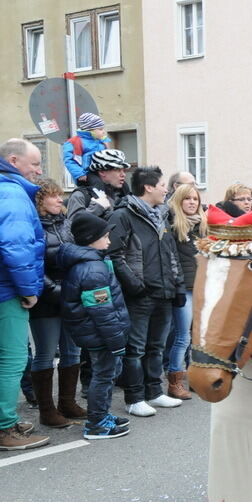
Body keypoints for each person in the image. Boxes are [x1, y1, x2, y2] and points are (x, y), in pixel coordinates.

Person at [108, 166, 186, 417]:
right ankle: (134, 398)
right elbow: (114, 254)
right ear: (148, 187)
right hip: (140, 296)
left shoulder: (162, 215)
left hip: (163, 293)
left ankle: (154, 392)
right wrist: (134, 285)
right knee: (136, 349)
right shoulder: (123, 215)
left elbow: (171, 254)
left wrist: (178, 287)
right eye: (163, 185)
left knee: (157, 347)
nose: (166, 189)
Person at [59, 213, 130, 439]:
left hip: (97, 333)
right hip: (100, 334)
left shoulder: (94, 262)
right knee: (103, 375)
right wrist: (116, 340)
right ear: (92, 238)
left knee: (106, 374)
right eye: (105, 236)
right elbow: (101, 311)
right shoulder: (92, 269)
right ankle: (97, 423)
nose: (109, 241)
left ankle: (102, 415)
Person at [0, 139, 49, 450]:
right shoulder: (12, 192)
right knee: (13, 360)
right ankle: (5, 428)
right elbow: (15, 246)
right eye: (34, 164)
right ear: (14, 161)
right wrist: (29, 290)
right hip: (7, 290)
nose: (39, 170)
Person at [30, 179, 86, 428]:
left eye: (59, 195)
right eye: (53, 196)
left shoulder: (65, 223)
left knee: (72, 351)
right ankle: (47, 410)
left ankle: (67, 403)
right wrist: (56, 291)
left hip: (70, 296)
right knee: (45, 354)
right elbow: (33, 266)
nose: (59, 200)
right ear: (40, 200)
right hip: (46, 301)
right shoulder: (33, 226)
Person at [165, 183, 207, 399]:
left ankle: (195, 378)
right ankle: (175, 382)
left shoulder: (203, 226)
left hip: (202, 288)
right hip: (184, 289)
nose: (192, 202)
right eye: (187, 199)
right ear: (179, 201)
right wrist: (178, 287)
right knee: (182, 337)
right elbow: (173, 262)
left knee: (197, 337)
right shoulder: (173, 227)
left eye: (195, 199)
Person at [65, 148, 131, 220]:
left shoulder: (124, 195)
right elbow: (71, 227)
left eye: (124, 170)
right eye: (118, 170)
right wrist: (96, 208)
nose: (123, 174)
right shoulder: (80, 196)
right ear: (102, 171)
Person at [61, 112, 112, 185]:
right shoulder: (74, 142)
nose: (103, 132)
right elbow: (69, 160)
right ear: (90, 130)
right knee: (97, 184)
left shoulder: (102, 141)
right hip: (86, 174)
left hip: (103, 172)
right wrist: (79, 174)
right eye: (100, 129)